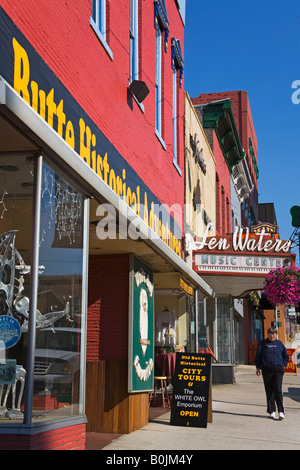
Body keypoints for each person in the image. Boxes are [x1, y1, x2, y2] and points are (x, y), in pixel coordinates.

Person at [255, 327, 289, 420]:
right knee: (269, 390)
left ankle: (281, 411)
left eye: (274, 334)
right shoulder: (263, 343)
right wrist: (258, 367)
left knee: (278, 390)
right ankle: (271, 410)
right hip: (267, 369)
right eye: (270, 334)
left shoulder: (279, 344)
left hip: (278, 369)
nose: (272, 336)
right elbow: (258, 356)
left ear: (276, 335)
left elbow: (286, 356)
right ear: (268, 334)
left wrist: (283, 365)